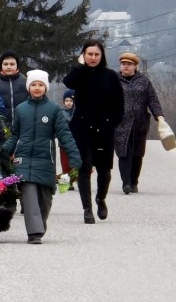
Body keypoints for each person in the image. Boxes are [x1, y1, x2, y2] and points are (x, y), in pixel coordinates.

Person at [2, 70, 82, 244]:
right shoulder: (21, 109)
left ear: (45, 87)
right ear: (28, 87)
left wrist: (74, 157)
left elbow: (65, 135)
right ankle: (34, 232)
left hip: (46, 160)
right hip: (23, 160)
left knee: (45, 200)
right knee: (28, 194)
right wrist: (3, 150)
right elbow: (15, 135)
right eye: (33, 85)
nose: (37, 88)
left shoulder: (53, 110)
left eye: (40, 85)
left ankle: (39, 224)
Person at [63, 40, 124, 224]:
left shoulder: (111, 76)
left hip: (104, 129)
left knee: (104, 170)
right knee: (84, 168)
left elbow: (119, 104)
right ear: (83, 55)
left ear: (102, 56)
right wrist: (79, 65)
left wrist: (112, 122)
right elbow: (68, 81)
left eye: (96, 54)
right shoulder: (80, 74)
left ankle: (100, 199)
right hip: (83, 129)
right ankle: (87, 208)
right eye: (89, 54)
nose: (93, 57)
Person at [114, 52, 164, 195]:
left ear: (135, 66)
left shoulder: (144, 81)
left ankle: (134, 181)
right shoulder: (114, 80)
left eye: (129, 64)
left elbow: (152, 100)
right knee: (123, 153)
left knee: (137, 154)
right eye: (123, 64)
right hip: (120, 124)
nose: (126, 66)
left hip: (140, 124)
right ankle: (126, 183)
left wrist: (159, 115)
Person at [0, 50, 28, 129]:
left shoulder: (26, 82)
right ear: (1, 66)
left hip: (23, 126)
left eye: (12, 64)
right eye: (5, 64)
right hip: (2, 127)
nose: (8, 67)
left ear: (17, 66)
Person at [59, 89, 76, 190]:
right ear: (63, 102)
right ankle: (66, 183)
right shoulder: (60, 113)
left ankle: (76, 180)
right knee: (65, 163)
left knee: (74, 162)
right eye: (67, 101)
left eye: (71, 101)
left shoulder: (78, 112)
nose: (69, 103)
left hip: (75, 142)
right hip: (64, 143)